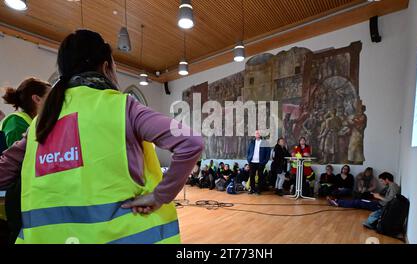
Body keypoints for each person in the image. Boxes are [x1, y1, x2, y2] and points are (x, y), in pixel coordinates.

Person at [0, 30, 204, 244]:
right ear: (106, 67)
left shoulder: (38, 125)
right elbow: (190, 142)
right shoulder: (121, 107)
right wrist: (160, 196)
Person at [0, 78, 51, 244]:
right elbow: (17, 165)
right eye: (51, 97)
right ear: (37, 99)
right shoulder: (16, 121)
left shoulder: (35, 122)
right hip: (14, 201)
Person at [327, 172, 400, 229]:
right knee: (359, 200)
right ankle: (337, 201)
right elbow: (387, 197)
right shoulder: (391, 186)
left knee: (358, 202)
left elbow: (390, 200)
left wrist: (379, 196)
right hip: (379, 203)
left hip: (380, 206)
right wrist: (378, 195)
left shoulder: (393, 186)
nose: (381, 183)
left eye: (382, 181)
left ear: (386, 179)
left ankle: (337, 202)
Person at [246, 130, 271, 194]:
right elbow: (248, 151)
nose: (258, 134)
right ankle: (252, 189)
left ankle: (258, 190)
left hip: (261, 162)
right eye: (256, 133)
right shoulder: (252, 142)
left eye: (259, 133)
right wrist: (248, 159)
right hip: (252, 162)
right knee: (252, 176)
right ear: (255, 135)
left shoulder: (265, 142)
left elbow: (268, 153)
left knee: (260, 176)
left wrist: (265, 161)